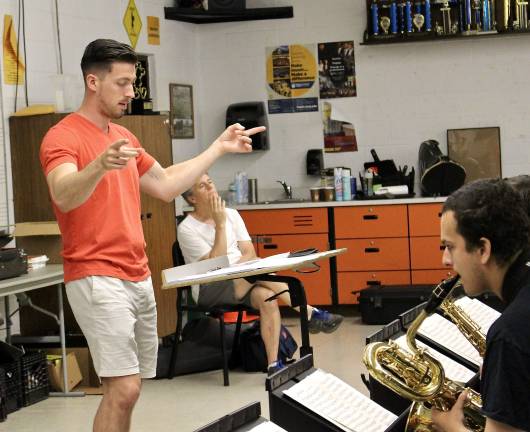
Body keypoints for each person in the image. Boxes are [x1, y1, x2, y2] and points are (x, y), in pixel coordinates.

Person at [39, 39, 265, 432]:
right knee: (123, 389)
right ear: (93, 81)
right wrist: (97, 167)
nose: (130, 93)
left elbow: (165, 185)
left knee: (129, 389)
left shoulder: (124, 138)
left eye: (132, 83)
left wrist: (218, 147)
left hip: (137, 274)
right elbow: (63, 192)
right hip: (96, 275)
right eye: (122, 83)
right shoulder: (63, 137)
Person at [177, 173, 344, 374]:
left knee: (267, 297)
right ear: (192, 198)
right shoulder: (187, 228)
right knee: (256, 273)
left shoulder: (232, 214)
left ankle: (273, 364)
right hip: (210, 287)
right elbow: (214, 266)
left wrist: (241, 270)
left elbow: (250, 253)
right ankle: (309, 313)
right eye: (203, 186)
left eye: (210, 182)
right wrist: (220, 225)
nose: (211, 188)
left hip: (243, 278)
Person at [432, 179, 530, 432]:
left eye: (450, 247)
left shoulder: (510, 333)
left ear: (483, 249)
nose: (445, 260)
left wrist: (451, 427)